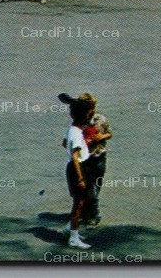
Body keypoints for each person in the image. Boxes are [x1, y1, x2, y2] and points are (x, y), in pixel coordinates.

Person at [58, 93, 111, 227]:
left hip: (99, 157)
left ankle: (84, 213)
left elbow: (110, 133)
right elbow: (67, 143)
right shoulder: (79, 124)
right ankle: (93, 216)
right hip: (85, 161)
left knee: (95, 188)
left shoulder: (100, 119)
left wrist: (101, 136)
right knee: (89, 190)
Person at [62, 99, 94, 249]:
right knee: (79, 204)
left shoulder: (74, 130)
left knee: (85, 199)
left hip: (81, 166)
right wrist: (80, 177)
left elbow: (65, 144)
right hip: (78, 168)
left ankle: (70, 228)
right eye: (88, 113)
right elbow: (75, 156)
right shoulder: (75, 133)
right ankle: (73, 238)